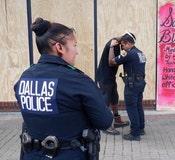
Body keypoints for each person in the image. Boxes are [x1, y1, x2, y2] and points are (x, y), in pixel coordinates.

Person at [14, 17, 113, 160]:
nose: (76, 51)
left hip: (31, 155)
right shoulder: (77, 80)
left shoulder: (24, 78)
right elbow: (105, 121)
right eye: (74, 45)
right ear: (59, 47)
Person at [109, 31, 146, 141]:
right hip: (140, 83)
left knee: (131, 108)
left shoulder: (129, 54)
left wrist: (111, 47)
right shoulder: (140, 53)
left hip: (132, 85)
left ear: (128, 43)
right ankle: (140, 129)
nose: (123, 48)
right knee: (138, 106)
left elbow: (112, 62)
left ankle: (135, 134)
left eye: (123, 45)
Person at [96, 36, 130, 135]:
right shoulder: (113, 45)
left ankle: (117, 119)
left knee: (114, 97)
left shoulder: (117, 44)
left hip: (110, 76)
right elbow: (111, 63)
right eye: (125, 45)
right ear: (123, 41)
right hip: (104, 77)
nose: (125, 47)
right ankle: (105, 125)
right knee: (106, 99)